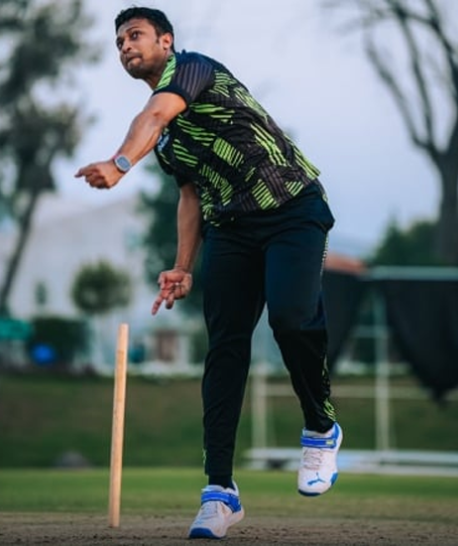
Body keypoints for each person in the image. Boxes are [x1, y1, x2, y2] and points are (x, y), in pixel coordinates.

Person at [75, 7, 342, 539]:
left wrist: (119, 164)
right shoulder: (167, 142)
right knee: (224, 349)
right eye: (119, 42)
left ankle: (320, 428)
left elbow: (153, 115)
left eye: (135, 36)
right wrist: (182, 266)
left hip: (292, 208)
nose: (125, 46)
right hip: (231, 230)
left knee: (290, 319)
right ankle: (220, 491)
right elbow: (190, 197)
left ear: (166, 41)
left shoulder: (195, 69)